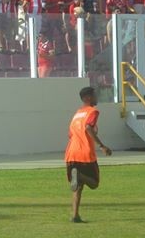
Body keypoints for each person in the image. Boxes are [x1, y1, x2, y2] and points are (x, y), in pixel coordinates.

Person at [64, 86, 112, 223]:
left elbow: (70, 134)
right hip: (85, 154)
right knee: (94, 183)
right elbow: (88, 127)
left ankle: (75, 215)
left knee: (78, 186)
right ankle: (78, 175)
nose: (97, 98)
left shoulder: (77, 113)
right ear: (88, 98)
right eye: (95, 95)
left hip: (71, 153)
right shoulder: (93, 111)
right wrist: (102, 146)